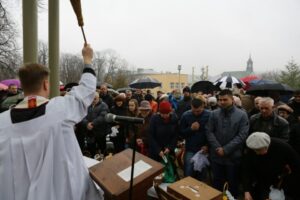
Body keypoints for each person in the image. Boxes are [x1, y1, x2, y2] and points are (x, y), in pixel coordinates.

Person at [0, 44, 102, 199]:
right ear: (46, 84)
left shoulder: (2, 123)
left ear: (23, 85)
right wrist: (87, 60)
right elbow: (86, 90)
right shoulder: (60, 110)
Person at [206, 89, 249, 197]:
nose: (222, 102)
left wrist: (225, 150)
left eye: (225, 99)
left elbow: (242, 136)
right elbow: (209, 131)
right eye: (220, 100)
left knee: (232, 185)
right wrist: (217, 148)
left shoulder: (242, 115)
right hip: (216, 156)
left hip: (233, 157)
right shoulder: (214, 114)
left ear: (232, 100)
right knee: (217, 184)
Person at [243, 132, 300, 200]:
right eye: (256, 150)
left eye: (261, 149)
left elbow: (296, 166)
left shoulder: (283, 147)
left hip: (282, 180)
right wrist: (246, 191)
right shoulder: (250, 151)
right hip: (262, 181)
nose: (258, 153)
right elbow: (246, 170)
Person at [180, 96, 210, 180]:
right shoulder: (186, 115)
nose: (196, 113)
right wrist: (191, 129)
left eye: (199, 111)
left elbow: (212, 133)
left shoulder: (209, 115)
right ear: (191, 107)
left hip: (203, 149)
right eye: (194, 111)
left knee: (202, 174)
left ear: (203, 106)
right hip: (190, 149)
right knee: (188, 173)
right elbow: (181, 133)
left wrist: (207, 145)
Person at [82, 92, 110, 157]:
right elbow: (82, 116)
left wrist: (92, 123)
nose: (93, 101)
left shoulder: (104, 105)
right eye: (92, 99)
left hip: (100, 132)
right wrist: (86, 124)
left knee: (102, 149)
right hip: (89, 132)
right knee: (91, 149)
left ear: (98, 98)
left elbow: (102, 117)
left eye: (95, 99)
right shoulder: (87, 106)